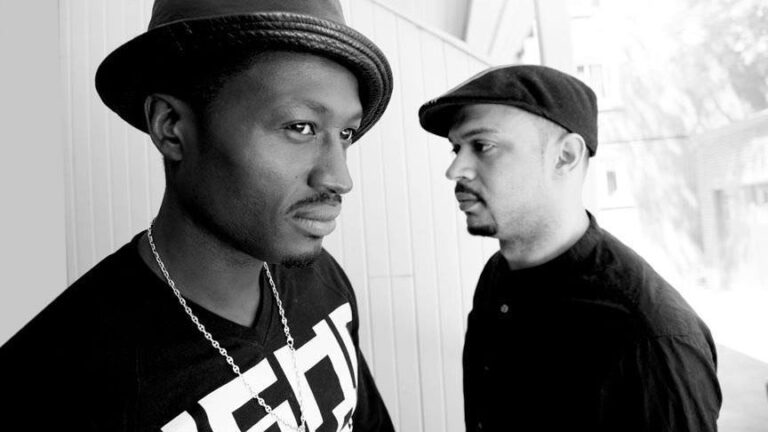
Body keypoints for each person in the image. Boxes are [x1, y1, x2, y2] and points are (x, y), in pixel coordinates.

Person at [0, 0, 395, 430]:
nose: (339, 177)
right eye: (300, 127)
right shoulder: (51, 384)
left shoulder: (323, 282)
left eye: (346, 134)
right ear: (171, 126)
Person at [418, 65, 721, 431]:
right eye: (456, 148)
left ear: (566, 156)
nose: (455, 170)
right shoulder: (498, 276)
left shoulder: (650, 337)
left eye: (483, 146)